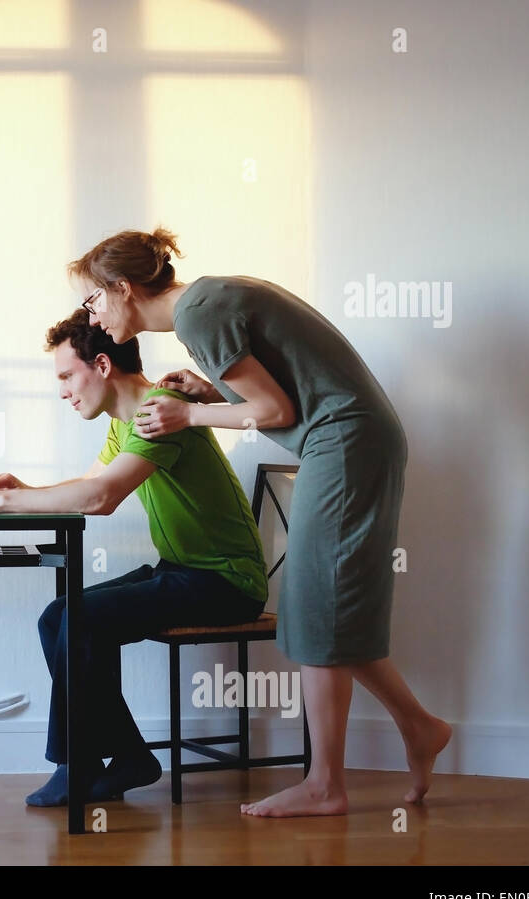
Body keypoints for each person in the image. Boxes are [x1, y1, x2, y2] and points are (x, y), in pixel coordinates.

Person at [68, 227, 451, 817]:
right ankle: (419, 727)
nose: (90, 312)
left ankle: (326, 785)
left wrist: (189, 414)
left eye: (94, 298)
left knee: (315, 609)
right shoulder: (209, 300)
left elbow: (275, 411)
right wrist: (208, 389)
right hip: (348, 440)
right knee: (324, 608)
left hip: (343, 443)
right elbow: (275, 392)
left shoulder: (200, 315)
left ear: (124, 287)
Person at [0, 311, 268, 806]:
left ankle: (76, 764)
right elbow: (87, 488)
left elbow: (101, 499)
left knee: (80, 617)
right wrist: (26, 489)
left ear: (101, 364)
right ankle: (124, 756)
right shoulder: (126, 423)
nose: (62, 391)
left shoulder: (164, 411)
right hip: (184, 571)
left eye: (66, 376)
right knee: (58, 617)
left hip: (226, 582)